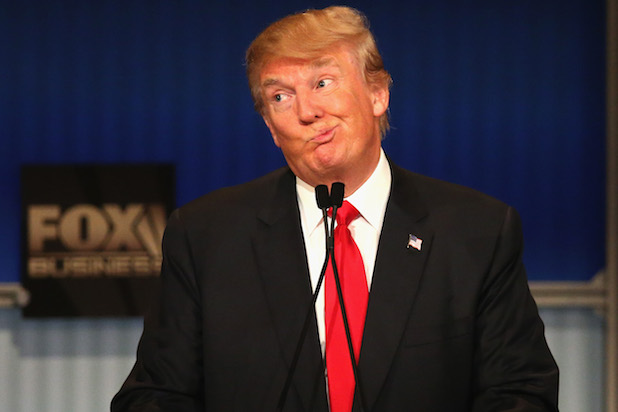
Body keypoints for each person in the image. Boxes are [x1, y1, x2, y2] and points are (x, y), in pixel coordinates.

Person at [111, 6, 559, 411]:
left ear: (378, 93)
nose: (307, 111)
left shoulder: (477, 230)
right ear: (270, 126)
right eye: (280, 97)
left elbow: (521, 393)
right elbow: (154, 396)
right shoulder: (206, 235)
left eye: (322, 83)